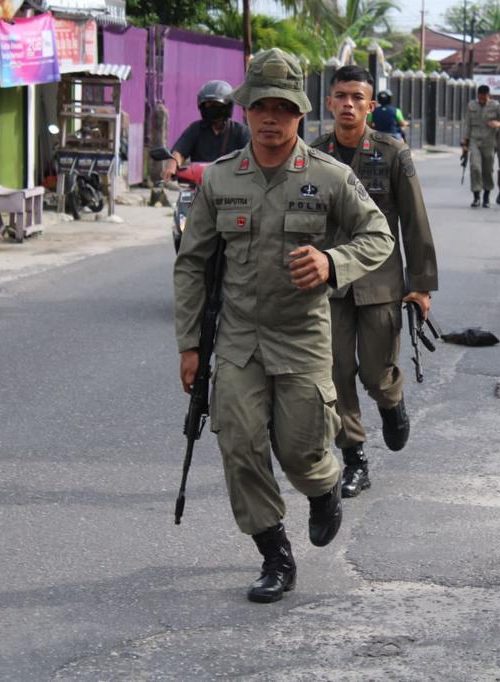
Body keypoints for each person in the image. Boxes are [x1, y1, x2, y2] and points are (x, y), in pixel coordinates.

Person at [173, 49, 394, 604]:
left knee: (300, 451)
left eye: (282, 108)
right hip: (240, 341)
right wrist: (191, 346)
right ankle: (274, 553)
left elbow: (378, 236)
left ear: (299, 113)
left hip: (303, 338)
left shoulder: (329, 176)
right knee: (240, 446)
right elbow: (193, 264)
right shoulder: (220, 180)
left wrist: (331, 263)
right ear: (245, 111)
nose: (270, 118)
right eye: (260, 108)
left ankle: (323, 489)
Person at [311, 65, 439, 499]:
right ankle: (355, 458)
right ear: (329, 102)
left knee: (373, 372)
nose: (348, 104)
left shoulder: (392, 153)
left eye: (357, 98)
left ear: (370, 105)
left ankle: (391, 400)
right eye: (341, 96)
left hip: (380, 281)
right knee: (335, 372)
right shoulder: (313, 155)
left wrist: (419, 285)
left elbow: (415, 222)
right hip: (329, 282)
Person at [161, 80, 251, 178]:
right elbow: (179, 152)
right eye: (208, 105)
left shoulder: (241, 132)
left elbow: (250, 159)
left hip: (231, 186)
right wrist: (172, 165)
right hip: (199, 185)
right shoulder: (196, 129)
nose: (212, 108)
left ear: (227, 106)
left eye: (216, 105)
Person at [461, 84, 500, 208]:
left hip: (489, 142)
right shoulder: (472, 105)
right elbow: (467, 124)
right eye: (480, 98)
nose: (482, 100)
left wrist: (499, 123)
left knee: (488, 170)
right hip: (474, 141)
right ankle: (476, 196)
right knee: (475, 167)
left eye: (484, 98)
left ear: (489, 96)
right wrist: (464, 143)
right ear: (478, 95)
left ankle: (486, 195)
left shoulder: (495, 106)